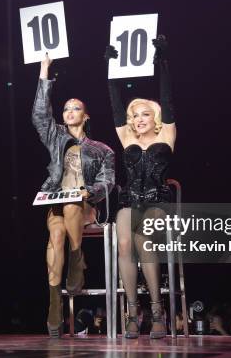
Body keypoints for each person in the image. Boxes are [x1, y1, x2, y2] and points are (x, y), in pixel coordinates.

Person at [33, 53, 115, 337]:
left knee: (72, 205)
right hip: (57, 202)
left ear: (85, 115)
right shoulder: (55, 136)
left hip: (87, 206)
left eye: (75, 108)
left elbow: (108, 183)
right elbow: (40, 115)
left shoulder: (102, 150)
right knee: (55, 235)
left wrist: (88, 191)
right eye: (66, 108)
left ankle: (77, 256)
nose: (68, 112)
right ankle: (55, 301)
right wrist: (44, 71)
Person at [105, 35, 176, 339]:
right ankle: (134, 313)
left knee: (144, 238)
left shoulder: (167, 134)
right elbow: (115, 103)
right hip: (129, 200)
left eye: (145, 114)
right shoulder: (126, 138)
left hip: (158, 201)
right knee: (124, 243)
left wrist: (162, 61)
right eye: (135, 116)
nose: (138, 119)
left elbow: (168, 97)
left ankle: (158, 312)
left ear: (156, 117)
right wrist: (108, 66)